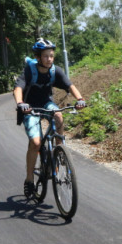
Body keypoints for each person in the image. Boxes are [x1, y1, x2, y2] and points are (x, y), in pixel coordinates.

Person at [13, 38, 86, 198]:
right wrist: (20, 103)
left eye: (51, 56)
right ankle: (29, 179)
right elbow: (18, 88)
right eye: (46, 56)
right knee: (36, 143)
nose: (49, 59)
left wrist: (80, 99)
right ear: (38, 57)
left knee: (58, 115)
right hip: (29, 107)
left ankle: (59, 152)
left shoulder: (55, 70)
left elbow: (69, 85)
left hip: (46, 103)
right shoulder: (29, 70)